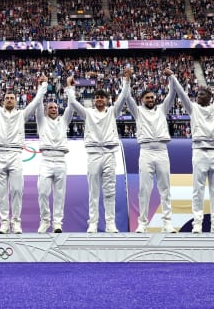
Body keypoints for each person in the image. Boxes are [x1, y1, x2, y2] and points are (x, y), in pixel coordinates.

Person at [167, 60, 214, 234]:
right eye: (197, 94)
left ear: (210, 97)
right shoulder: (193, 109)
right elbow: (182, 94)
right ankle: (197, 224)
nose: (198, 95)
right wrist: (172, 77)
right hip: (199, 151)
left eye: (202, 93)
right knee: (198, 190)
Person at [65, 71, 129, 233]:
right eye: (97, 97)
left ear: (107, 100)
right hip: (93, 155)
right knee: (93, 192)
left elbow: (122, 99)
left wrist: (126, 80)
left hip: (109, 154)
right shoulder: (88, 113)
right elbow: (72, 103)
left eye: (102, 97)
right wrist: (70, 87)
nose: (99, 99)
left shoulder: (113, 112)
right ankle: (92, 223)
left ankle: (110, 223)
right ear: (94, 100)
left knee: (110, 192)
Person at [0, 68, 45, 234]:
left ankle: (16, 222)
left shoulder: (22, 115)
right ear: (3, 101)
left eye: (12, 98)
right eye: (7, 98)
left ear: (16, 101)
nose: (9, 100)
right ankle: (4, 223)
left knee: (17, 190)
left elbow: (36, 101)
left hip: (15, 155)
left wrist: (43, 85)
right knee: (1, 192)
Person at [121, 64, 178, 233]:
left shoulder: (162, 109)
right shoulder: (137, 111)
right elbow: (126, 97)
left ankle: (167, 223)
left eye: (152, 98)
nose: (151, 100)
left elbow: (173, 93)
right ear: (142, 101)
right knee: (144, 189)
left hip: (162, 151)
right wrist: (127, 79)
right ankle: (143, 223)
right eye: (147, 98)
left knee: (165, 188)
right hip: (146, 152)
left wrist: (171, 76)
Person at [33, 80, 76, 234]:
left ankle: (57, 223)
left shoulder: (64, 121)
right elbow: (38, 104)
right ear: (45, 110)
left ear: (58, 109)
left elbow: (71, 107)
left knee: (60, 195)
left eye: (55, 107)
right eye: (50, 107)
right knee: (43, 192)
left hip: (60, 160)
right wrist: (42, 86)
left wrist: (70, 88)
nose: (53, 109)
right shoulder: (41, 121)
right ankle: (45, 220)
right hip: (46, 159)